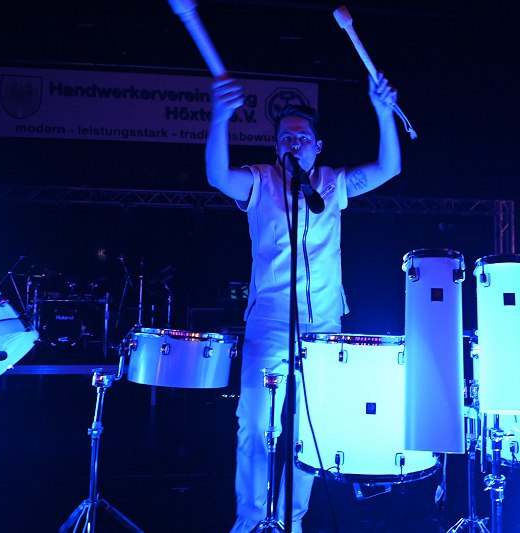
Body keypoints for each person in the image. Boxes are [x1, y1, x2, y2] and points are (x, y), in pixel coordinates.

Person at [206, 71, 401, 533]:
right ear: (276, 146)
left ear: (318, 146)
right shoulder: (260, 181)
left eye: (302, 137)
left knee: (309, 429)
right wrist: (219, 119)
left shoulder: (332, 184)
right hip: (270, 321)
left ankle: (291, 521)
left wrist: (383, 112)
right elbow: (217, 176)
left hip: (324, 324)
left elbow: (388, 168)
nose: (294, 142)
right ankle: (252, 519)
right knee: (256, 424)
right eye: (286, 137)